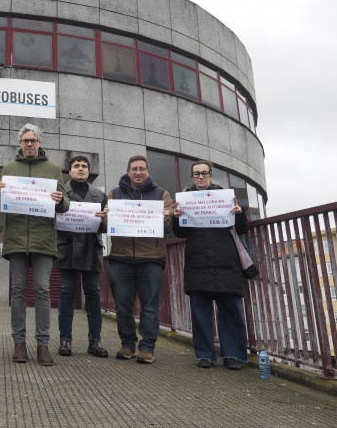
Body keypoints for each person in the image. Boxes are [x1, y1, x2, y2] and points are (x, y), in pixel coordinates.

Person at [0, 124, 69, 366]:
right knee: (17, 291)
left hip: (43, 239)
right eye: (25, 140)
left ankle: (43, 344)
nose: (29, 144)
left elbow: (65, 204)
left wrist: (60, 200)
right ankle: (19, 343)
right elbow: (0, 204)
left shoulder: (54, 169)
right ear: (19, 143)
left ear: (40, 143)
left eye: (33, 140)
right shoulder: (9, 168)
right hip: (16, 239)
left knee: (42, 290)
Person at [173, 160, 250, 370]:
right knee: (200, 312)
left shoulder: (226, 197)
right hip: (198, 261)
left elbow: (242, 229)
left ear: (210, 175)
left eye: (204, 173)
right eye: (196, 174)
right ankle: (205, 355)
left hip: (226, 260)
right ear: (192, 177)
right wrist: (176, 218)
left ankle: (233, 355)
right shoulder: (185, 199)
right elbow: (180, 233)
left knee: (230, 309)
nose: (200, 177)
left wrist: (239, 212)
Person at [106, 155, 172, 364]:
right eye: (134, 169)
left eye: (142, 169)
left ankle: (147, 347)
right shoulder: (114, 194)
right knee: (123, 305)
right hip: (121, 257)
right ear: (128, 171)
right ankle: (127, 345)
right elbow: (104, 225)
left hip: (151, 257)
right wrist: (106, 216)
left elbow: (169, 229)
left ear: (148, 171)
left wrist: (168, 217)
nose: (138, 172)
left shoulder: (162, 194)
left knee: (150, 305)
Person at [54, 155, 109, 358]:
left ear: (88, 171)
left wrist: (105, 221)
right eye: (76, 166)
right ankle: (65, 340)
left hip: (90, 249)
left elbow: (107, 227)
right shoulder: (60, 192)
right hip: (66, 248)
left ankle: (95, 341)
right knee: (67, 293)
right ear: (69, 171)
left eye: (84, 166)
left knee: (93, 295)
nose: (80, 169)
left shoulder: (100, 195)